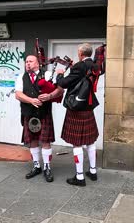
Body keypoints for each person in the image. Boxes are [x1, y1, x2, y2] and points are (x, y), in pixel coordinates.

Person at [56, 43, 100, 187]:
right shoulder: (94, 65)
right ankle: (93, 171)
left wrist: (60, 74)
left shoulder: (78, 67)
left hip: (77, 108)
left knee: (77, 143)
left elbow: (64, 83)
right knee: (90, 141)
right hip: (88, 107)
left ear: (81, 53)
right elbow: (84, 74)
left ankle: (80, 177)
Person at [15, 55, 63, 182]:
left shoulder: (47, 75)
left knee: (45, 142)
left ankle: (47, 167)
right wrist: (31, 100)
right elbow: (18, 94)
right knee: (32, 141)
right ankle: (36, 166)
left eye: (30, 61)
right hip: (28, 113)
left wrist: (49, 96)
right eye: (26, 62)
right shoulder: (21, 77)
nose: (28, 64)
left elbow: (60, 90)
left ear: (37, 63)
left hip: (43, 113)